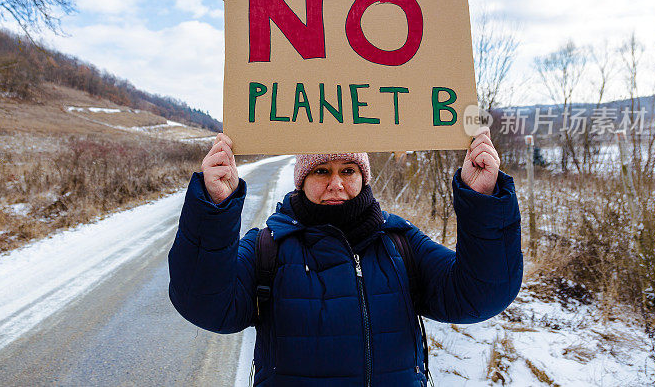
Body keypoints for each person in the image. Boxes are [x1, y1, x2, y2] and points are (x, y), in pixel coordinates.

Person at [168, 128, 522, 386]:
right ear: (301, 180)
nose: (336, 184)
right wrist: (215, 209)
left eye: (348, 171)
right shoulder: (268, 247)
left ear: (363, 178)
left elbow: (479, 295)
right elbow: (203, 303)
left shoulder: (399, 243)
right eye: (322, 171)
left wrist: (483, 201)